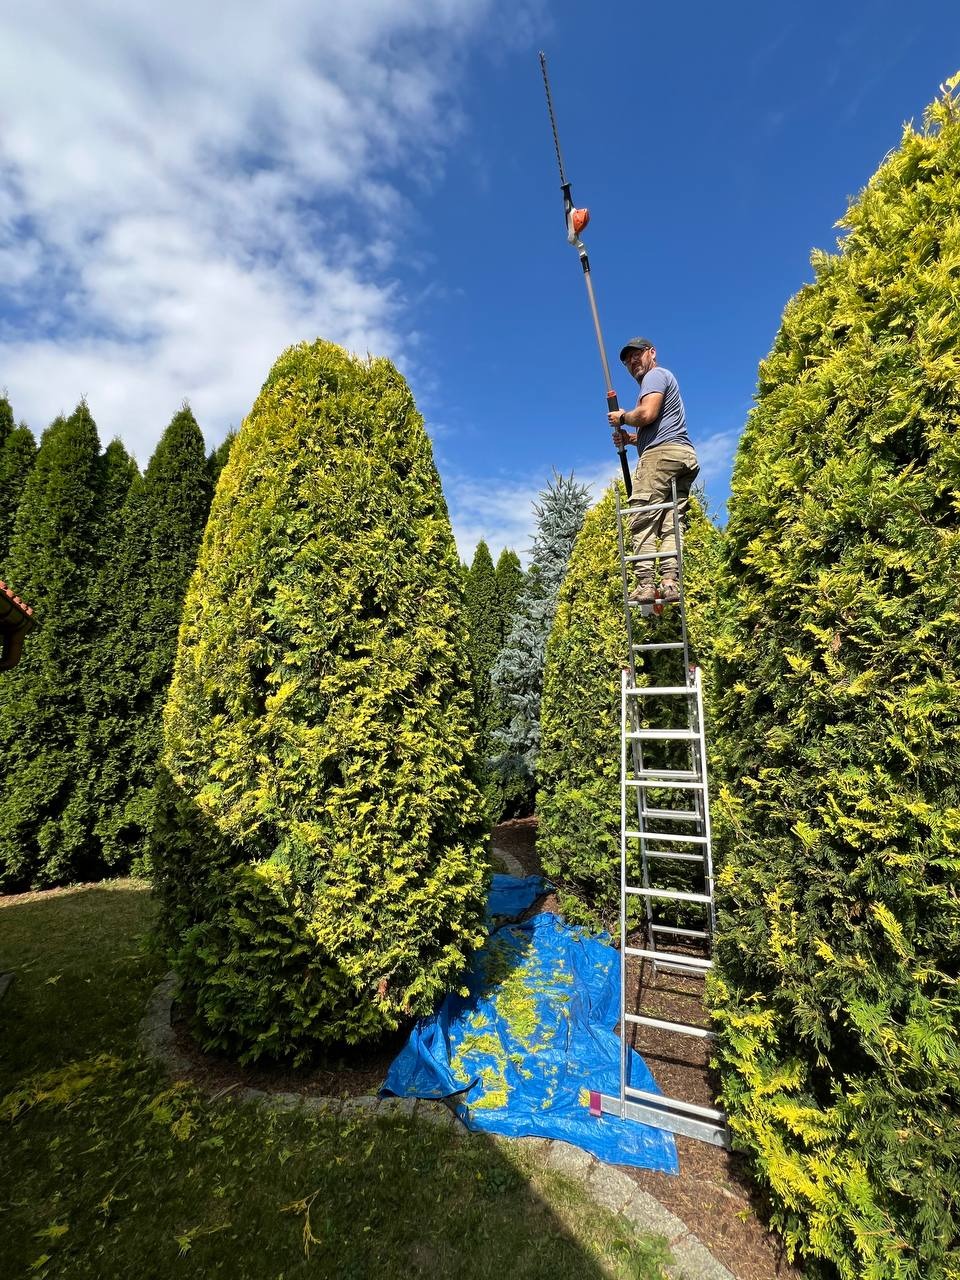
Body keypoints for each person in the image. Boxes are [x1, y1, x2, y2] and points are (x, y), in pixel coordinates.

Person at [607, 337, 700, 604]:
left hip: (661, 457)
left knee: (642, 517)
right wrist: (631, 439)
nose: (632, 361)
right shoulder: (664, 379)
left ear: (652, 353)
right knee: (671, 523)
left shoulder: (655, 376)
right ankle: (670, 582)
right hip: (682, 456)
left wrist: (622, 417)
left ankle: (646, 584)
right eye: (628, 359)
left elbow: (646, 414)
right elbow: (658, 427)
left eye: (637, 355)